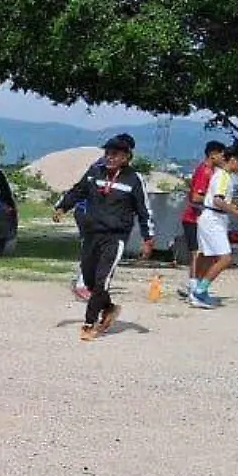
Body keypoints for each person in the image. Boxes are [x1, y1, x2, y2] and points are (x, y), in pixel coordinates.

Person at [54, 134, 154, 341]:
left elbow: (145, 211)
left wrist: (148, 237)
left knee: (102, 281)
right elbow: (78, 190)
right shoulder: (95, 172)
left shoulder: (134, 179)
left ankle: (89, 323)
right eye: (107, 153)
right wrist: (63, 206)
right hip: (91, 234)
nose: (109, 157)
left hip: (115, 237)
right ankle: (108, 308)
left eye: (114, 154)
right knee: (90, 282)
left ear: (126, 157)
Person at [189, 145, 238, 308]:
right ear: (233, 160)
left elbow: (218, 200)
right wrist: (237, 213)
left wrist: (235, 208)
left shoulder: (221, 175)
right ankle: (200, 291)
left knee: (207, 256)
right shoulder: (223, 176)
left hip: (211, 217)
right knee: (225, 258)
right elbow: (218, 200)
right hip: (213, 219)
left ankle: (197, 289)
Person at [182, 141, 229, 290]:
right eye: (222, 155)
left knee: (205, 254)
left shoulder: (210, 171)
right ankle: (193, 286)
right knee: (197, 253)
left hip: (199, 217)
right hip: (193, 217)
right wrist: (216, 201)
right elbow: (196, 197)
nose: (224, 159)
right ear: (213, 155)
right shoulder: (205, 171)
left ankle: (196, 285)